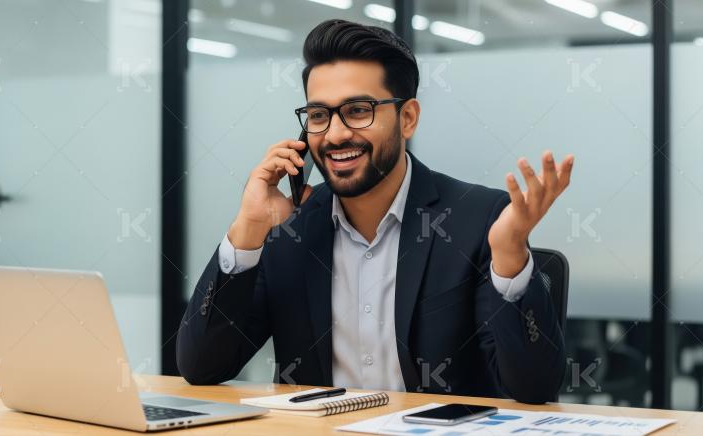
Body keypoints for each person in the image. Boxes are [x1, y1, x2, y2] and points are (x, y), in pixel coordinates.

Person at [176, 19, 574, 404]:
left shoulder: (478, 218)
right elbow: (202, 366)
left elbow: (534, 388)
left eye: (358, 110)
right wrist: (247, 229)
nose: (334, 135)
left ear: (408, 118)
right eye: (318, 115)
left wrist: (509, 257)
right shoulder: (288, 229)